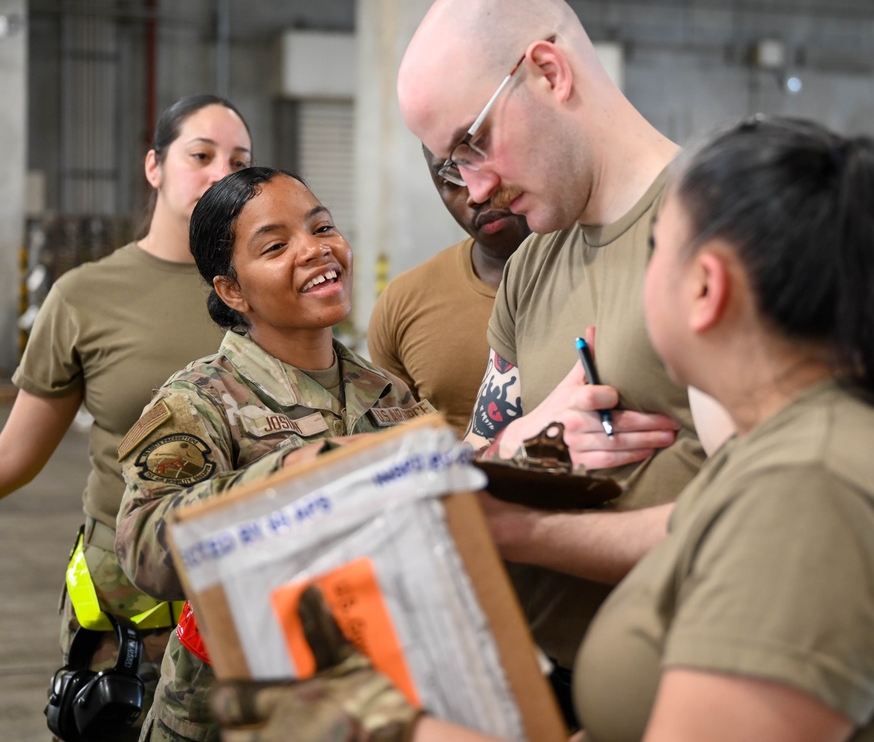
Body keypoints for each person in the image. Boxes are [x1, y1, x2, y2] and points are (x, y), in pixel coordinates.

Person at [211, 116, 874, 742]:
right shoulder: (798, 452)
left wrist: (390, 724)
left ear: (706, 288)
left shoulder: (815, 491)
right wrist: (509, 524)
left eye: (653, 254)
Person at [396, 0, 707, 718]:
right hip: (543, 685)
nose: (474, 189)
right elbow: (477, 457)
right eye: (452, 164)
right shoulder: (533, 263)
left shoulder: (720, 228)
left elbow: (763, 519)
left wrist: (522, 530)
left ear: (547, 71)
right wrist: (529, 438)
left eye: (473, 143)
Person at [115, 166, 433, 742]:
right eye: (276, 246)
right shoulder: (201, 401)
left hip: (363, 703)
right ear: (232, 289)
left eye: (323, 227)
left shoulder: (385, 393)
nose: (316, 250)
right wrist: (286, 475)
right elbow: (142, 550)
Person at [0, 94, 252, 740]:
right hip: (126, 620)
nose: (221, 173)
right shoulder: (83, 297)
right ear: (155, 166)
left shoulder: (259, 292)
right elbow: (14, 457)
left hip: (245, 595)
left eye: (239, 160)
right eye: (200, 155)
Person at [367, 145, 531, 434]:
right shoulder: (403, 302)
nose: (474, 195)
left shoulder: (598, 272)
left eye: (481, 165)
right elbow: (400, 448)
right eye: (450, 180)